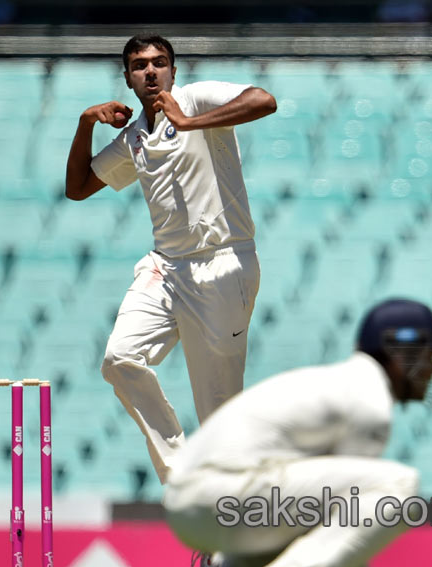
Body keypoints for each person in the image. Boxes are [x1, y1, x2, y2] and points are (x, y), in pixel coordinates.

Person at [66, 33, 276, 484]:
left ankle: (228, 532)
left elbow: (264, 100)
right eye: (140, 65)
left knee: (218, 410)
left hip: (222, 263)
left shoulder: (196, 100)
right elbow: (78, 187)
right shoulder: (134, 137)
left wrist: (188, 122)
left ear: (174, 71)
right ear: (127, 78)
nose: (151, 71)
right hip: (166, 268)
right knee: (120, 359)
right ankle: (184, 475)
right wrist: (86, 122)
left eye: (160, 62)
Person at [162, 298, 432, 567]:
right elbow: (341, 527)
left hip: (190, 503)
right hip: (223, 495)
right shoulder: (370, 403)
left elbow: (326, 531)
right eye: (429, 355)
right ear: (400, 351)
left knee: (307, 516)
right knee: (400, 484)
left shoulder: (344, 382)